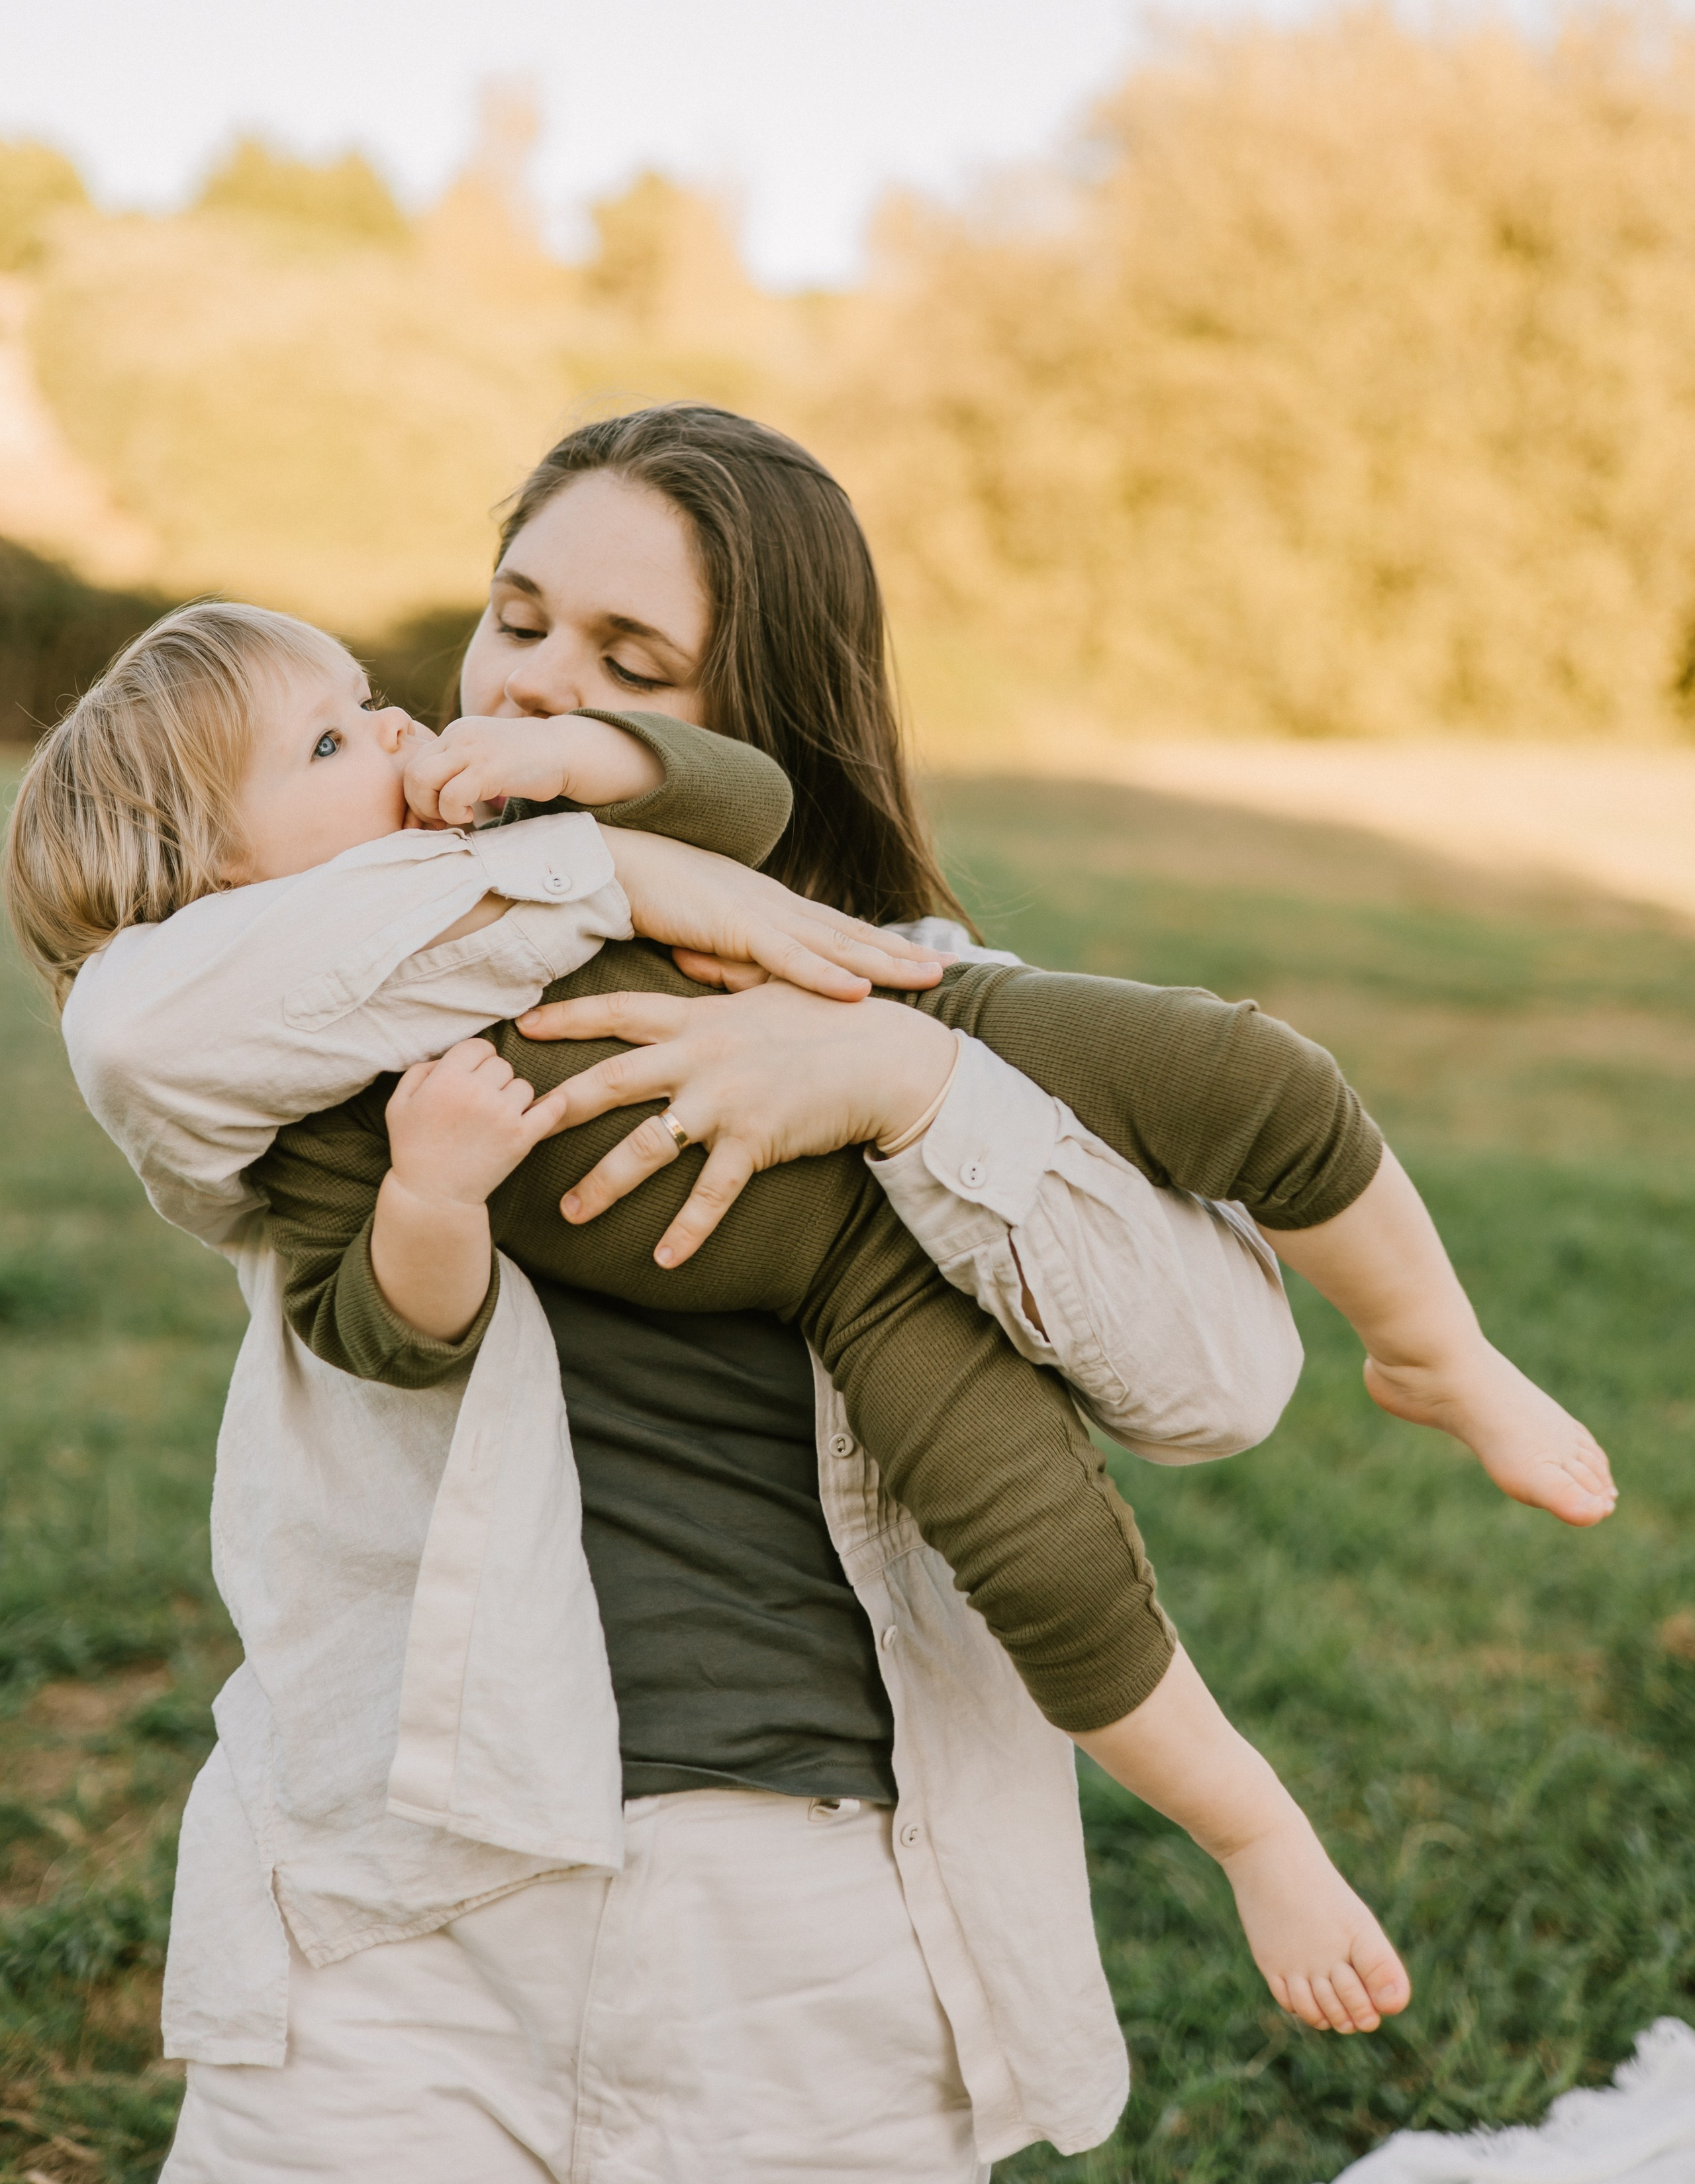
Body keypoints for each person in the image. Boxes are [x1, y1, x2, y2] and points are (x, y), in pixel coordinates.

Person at [2, 409, 1614, 2181]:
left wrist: (905, 1091)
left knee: (1111, 1391)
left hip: (807, 1925)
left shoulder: (892, 987)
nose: (533, 693)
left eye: (636, 662)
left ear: (769, 699)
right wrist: (587, 882)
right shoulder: (304, 995)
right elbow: (133, 1015)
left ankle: (1429, 1377)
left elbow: (1219, 1381)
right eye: (517, 619)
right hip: (403, 1897)